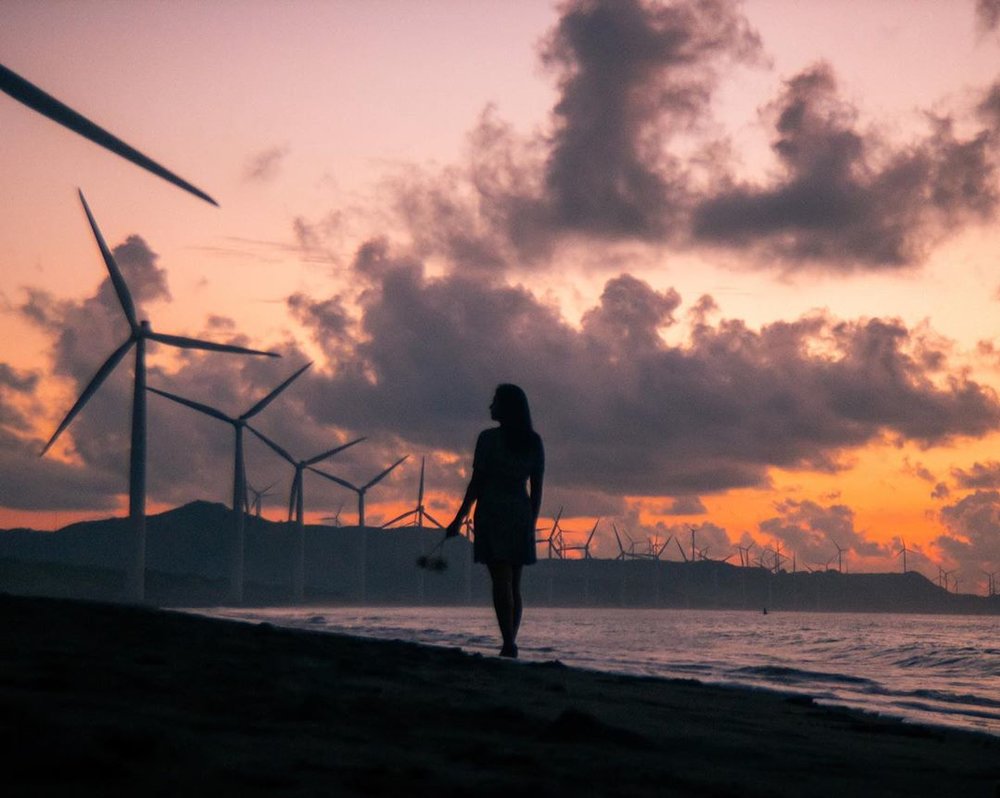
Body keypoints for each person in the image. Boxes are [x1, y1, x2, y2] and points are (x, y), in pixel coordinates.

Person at [446, 384, 544, 658]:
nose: (490, 407)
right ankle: (510, 641)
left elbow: (476, 484)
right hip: (520, 513)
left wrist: (458, 519)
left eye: (495, 402)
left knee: (500, 580)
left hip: (492, 512)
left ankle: (508, 644)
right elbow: (537, 489)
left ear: (506, 407)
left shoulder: (487, 439)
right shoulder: (534, 442)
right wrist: (531, 522)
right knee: (515, 583)